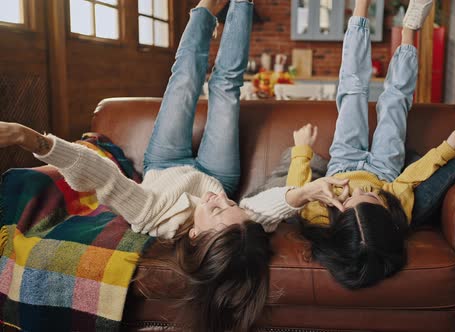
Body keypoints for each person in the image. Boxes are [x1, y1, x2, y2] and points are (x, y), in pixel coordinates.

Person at [0, 0, 347, 330]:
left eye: (218, 210)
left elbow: (102, 176)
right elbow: (263, 210)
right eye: (232, 205)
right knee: (226, 88)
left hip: (165, 163)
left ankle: (204, 11)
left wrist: (30, 138)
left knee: (184, 80)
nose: (224, 202)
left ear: (194, 234)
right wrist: (304, 191)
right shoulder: (235, 225)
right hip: (218, 172)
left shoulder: (150, 214)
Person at [284, 0, 455, 290]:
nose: (358, 190)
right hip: (385, 170)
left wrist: (302, 151)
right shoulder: (396, 211)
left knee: (352, 89)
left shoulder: (319, 217)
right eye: (370, 197)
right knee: (396, 101)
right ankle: (409, 30)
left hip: (343, 161)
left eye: (349, 199)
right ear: (385, 212)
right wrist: (448, 147)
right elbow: (410, 178)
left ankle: (361, 6)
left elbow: (296, 190)